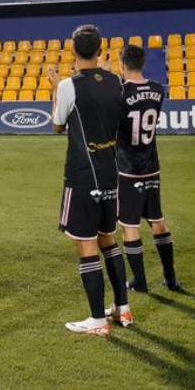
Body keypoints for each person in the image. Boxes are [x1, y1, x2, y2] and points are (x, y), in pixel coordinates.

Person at [47, 26, 128, 336]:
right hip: (110, 172)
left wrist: (56, 88)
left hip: (83, 175)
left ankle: (96, 319)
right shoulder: (115, 82)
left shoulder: (69, 85)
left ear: (72, 50)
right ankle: (123, 308)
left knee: (86, 243)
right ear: (100, 49)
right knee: (109, 239)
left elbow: (57, 126)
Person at [115, 46, 181, 293]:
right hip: (151, 164)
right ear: (142, 64)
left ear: (122, 65)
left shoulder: (121, 93)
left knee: (129, 224)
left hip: (128, 167)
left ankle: (140, 281)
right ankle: (171, 278)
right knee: (157, 219)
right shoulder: (157, 89)